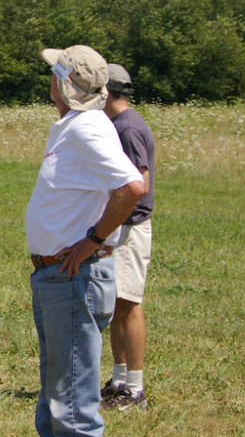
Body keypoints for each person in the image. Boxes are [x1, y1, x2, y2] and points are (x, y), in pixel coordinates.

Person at [26, 46, 146, 437]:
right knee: (56, 394)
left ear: (62, 83)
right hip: (57, 277)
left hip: (73, 276)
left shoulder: (87, 127)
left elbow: (131, 186)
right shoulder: (73, 125)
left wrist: (91, 241)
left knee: (73, 407)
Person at [100, 64, 155, 411]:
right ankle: (119, 380)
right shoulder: (118, 125)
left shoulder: (128, 128)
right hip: (120, 226)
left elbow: (140, 183)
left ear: (106, 92)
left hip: (131, 228)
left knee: (130, 305)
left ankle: (134, 389)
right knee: (117, 305)